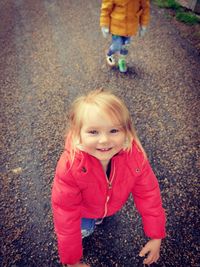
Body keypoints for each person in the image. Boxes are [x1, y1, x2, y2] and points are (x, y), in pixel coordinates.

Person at [51, 89, 166, 267]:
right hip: (84, 212)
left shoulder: (134, 156)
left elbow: (149, 195)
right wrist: (71, 260)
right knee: (84, 230)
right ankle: (88, 227)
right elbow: (65, 214)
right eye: (93, 132)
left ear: (127, 132)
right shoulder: (70, 166)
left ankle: (100, 216)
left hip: (108, 206)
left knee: (100, 216)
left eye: (114, 130)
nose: (104, 140)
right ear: (77, 134)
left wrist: (156, 235)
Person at [100, 0, 150, 73]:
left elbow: (145, 8)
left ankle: (122, 60)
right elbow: (106, 8)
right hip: (116, 24)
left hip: (131, 24)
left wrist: (143, 24)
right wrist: (104, 24)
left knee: (126, 45)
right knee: (117, 45)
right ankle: (109, 53)